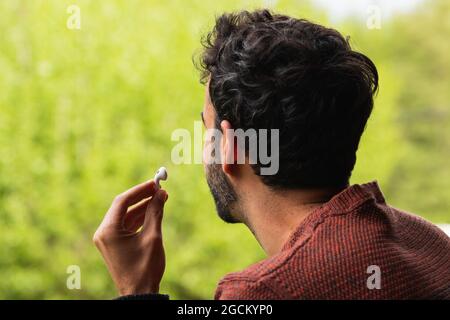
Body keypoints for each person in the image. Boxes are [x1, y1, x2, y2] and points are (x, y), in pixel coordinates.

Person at [93, 10, 450, 299]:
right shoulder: (428, 241)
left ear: (228, 147)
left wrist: (136, 291)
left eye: (206, 129)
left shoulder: (263, 292)